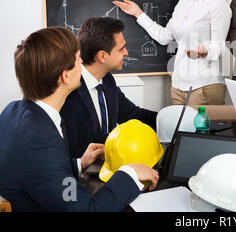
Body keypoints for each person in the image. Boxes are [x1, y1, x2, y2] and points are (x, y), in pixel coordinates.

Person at [0, 27, 158, 211]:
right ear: (65, 76)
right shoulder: (42, 140)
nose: (82, 62)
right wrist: (129, 173)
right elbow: (85, 210)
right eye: (77, 60)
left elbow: (40, 174)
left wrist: (80, 163)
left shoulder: (12, 111)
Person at [113, 0, 231, 105]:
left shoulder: (218, 4)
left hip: (204, 86)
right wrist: (138, 13)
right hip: (179, 84)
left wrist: (204, 51)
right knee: (175, 130)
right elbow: (165, 37)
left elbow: (218, 46)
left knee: (196, 133)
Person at [60, 17, 157, 158]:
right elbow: (72, 149)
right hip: (82, 172)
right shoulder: (69, 91)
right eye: (121, 49)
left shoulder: (107, 80)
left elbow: (131, 114)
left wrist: (171, 120)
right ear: (102, 56)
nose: (126, 53)